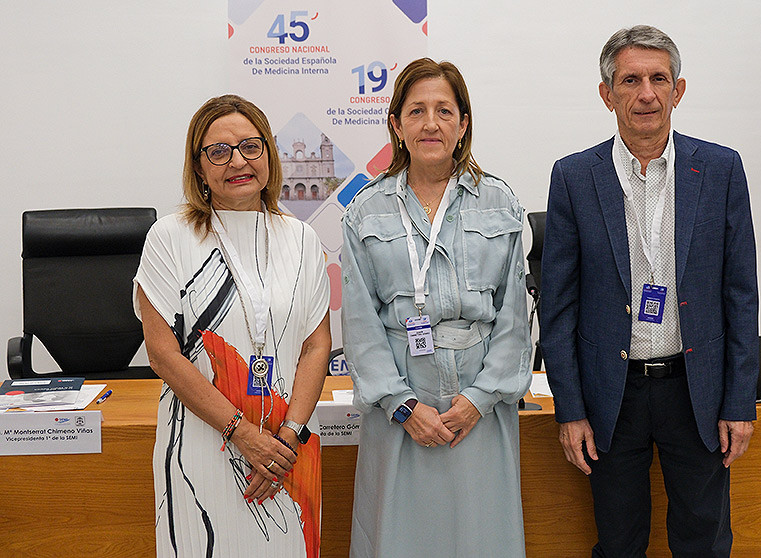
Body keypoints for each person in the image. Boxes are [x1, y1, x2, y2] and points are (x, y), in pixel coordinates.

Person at [540, 26, 759, 557]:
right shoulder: (573, 176)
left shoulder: (722, 169)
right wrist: (569, 410)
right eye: (630, 79)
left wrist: (739, 401)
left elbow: (741, 295)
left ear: (678, 90)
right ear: (606, 93)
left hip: (696, 389)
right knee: (618, 542)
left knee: (703, 540)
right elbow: (558, 306)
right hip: (612, 393)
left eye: (659, 79)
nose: (646, 94)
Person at [341, 58, 532, 557]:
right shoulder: (366, 210)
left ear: (463, 124)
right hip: (403, 403)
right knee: (400, 538)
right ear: (397, 125)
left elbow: (515, 316)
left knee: (482, 538)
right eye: (417, 110)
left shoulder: (499, 202)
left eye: (445, 111)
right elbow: (360, 325)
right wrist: (402, 406)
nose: (431, 123)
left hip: (479, 404)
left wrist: (480, 399)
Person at [135, 94, 332, 557]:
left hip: (289, 449)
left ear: (269, 154)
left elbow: (316, 346)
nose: (238, 161)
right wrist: (242, 435)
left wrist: (285, 440)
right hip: (204, 447)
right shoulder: (170, 236)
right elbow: (163, 355)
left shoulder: (301, 238)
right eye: (219, 151)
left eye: (250, 146)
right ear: (199, 167)